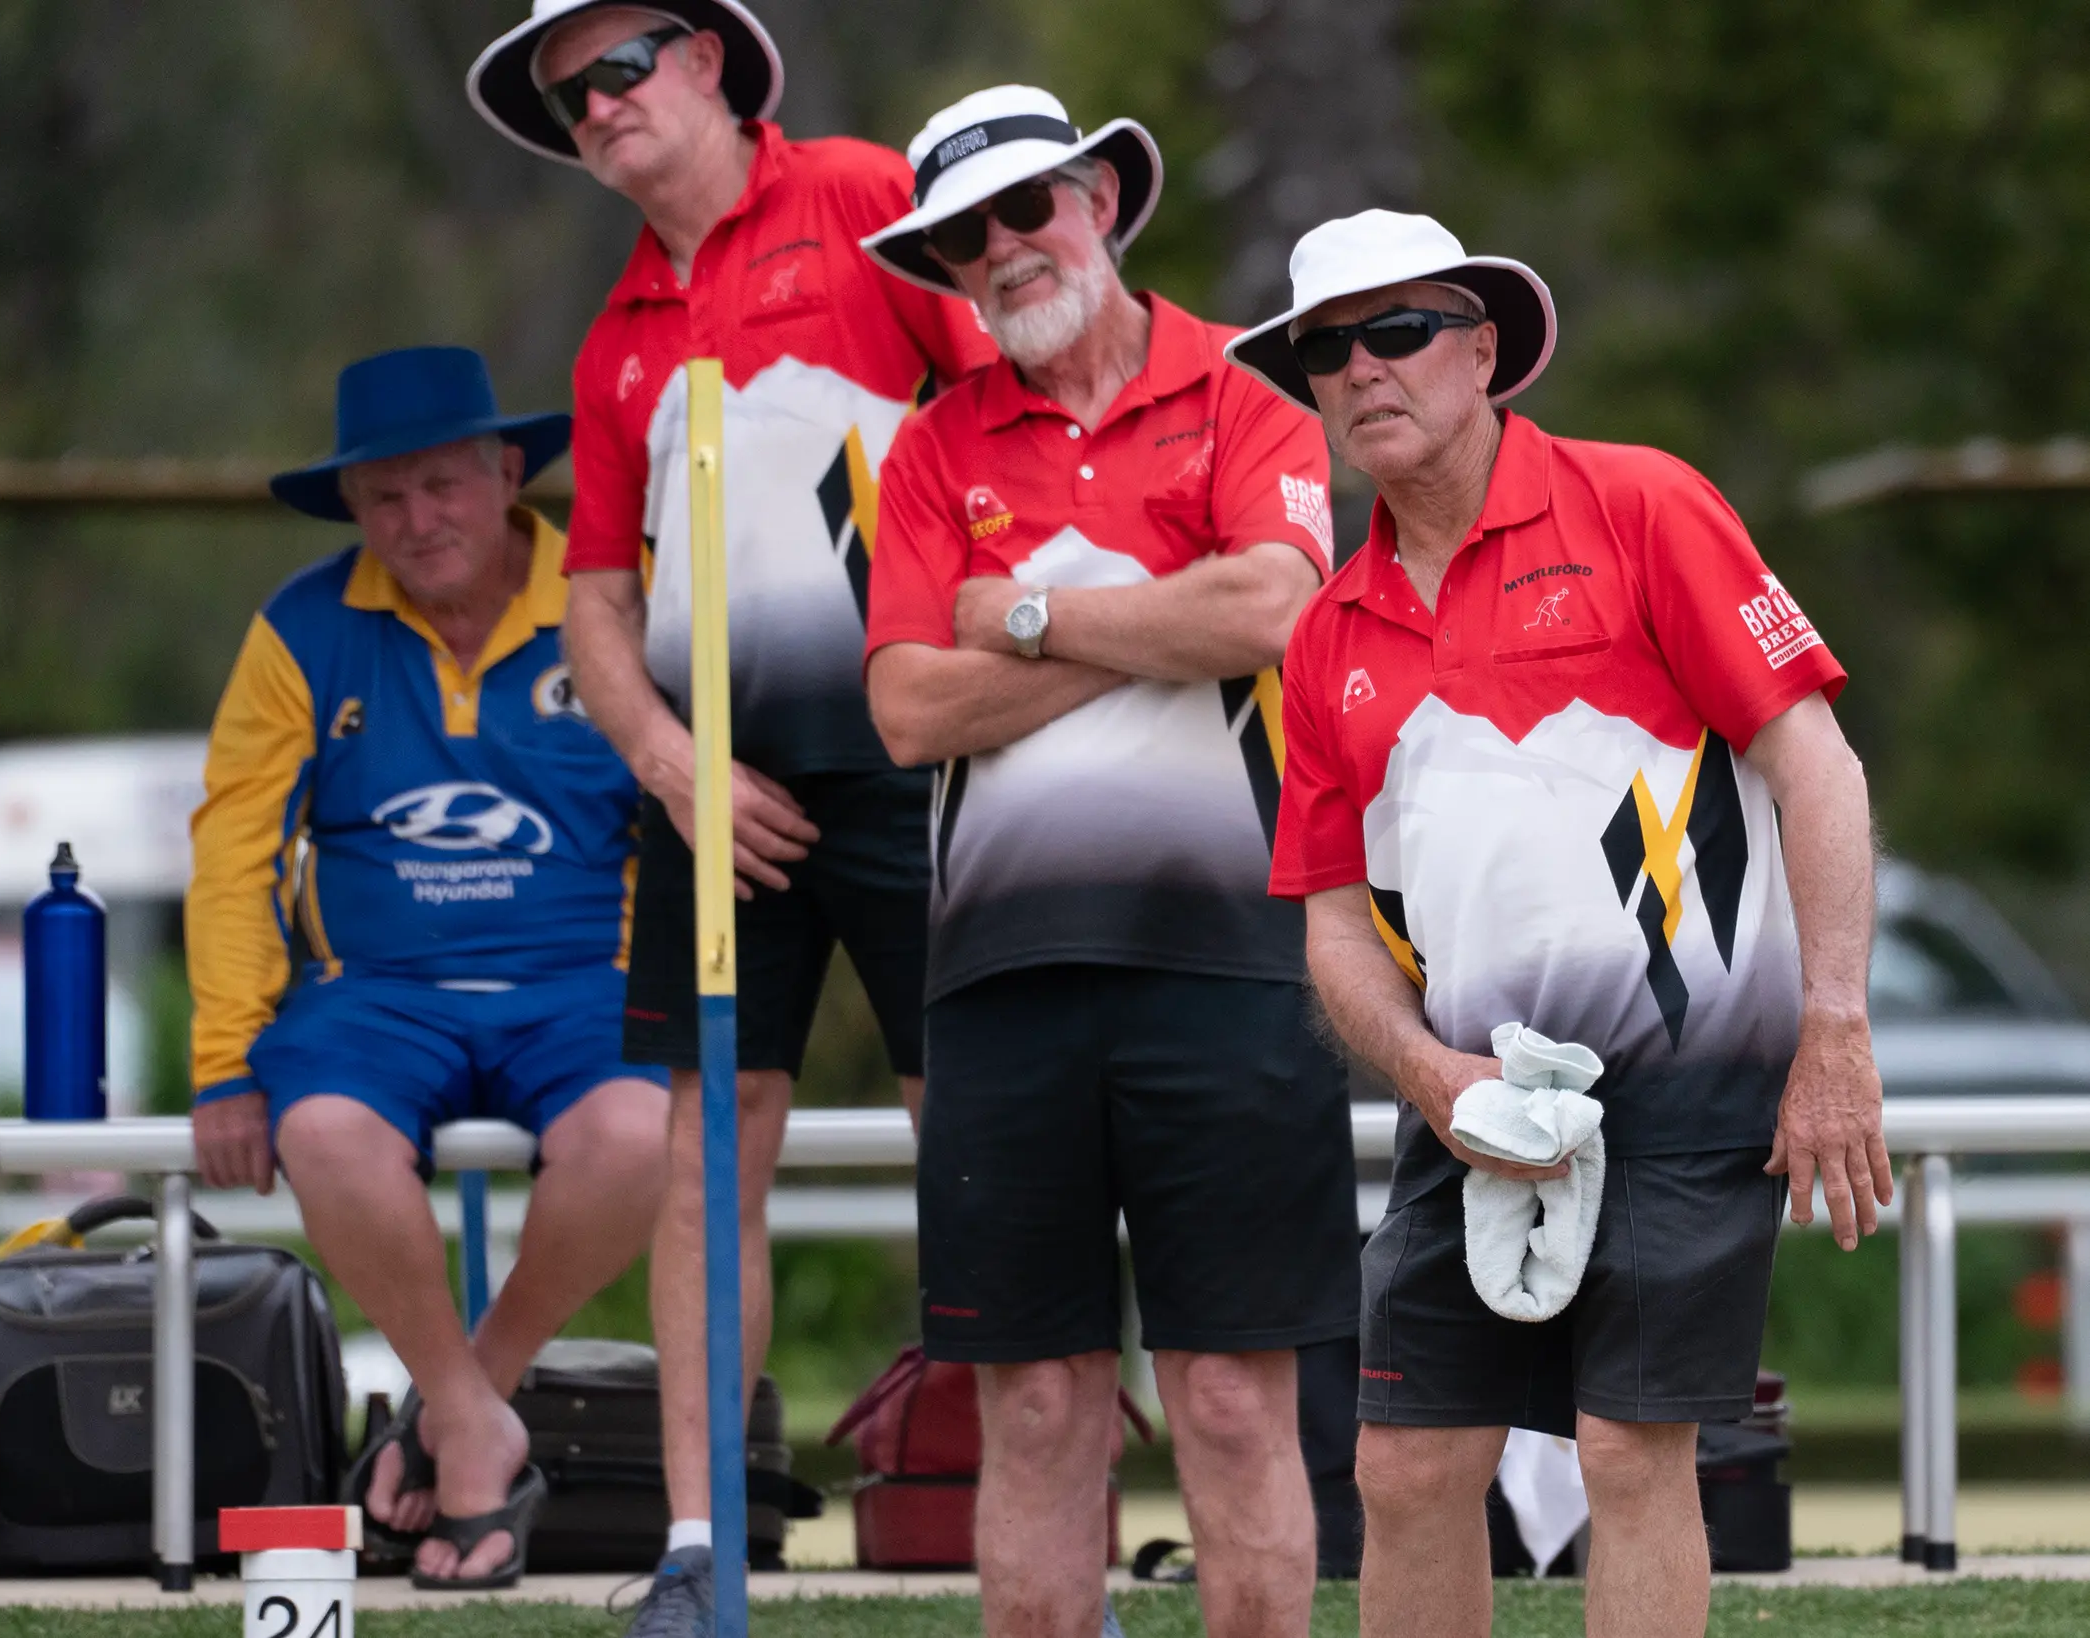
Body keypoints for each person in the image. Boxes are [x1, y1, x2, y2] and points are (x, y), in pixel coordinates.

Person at [1225, 210, 1891, 1638]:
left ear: (1481, 349)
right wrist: (1424, 1074)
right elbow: (1332, 921)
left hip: (1690, 1069)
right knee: (1403, 1465)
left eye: (1395, 330)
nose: (1360, 369)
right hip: (1463, 1096)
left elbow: (1814, 763)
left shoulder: (1642, 504)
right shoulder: (1326, 628)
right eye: (1325, 349)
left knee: (1624, 1455)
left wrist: (1834, 1022)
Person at [466, 3, 992, 1624]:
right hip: (719, 794)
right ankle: (700, 1545)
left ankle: (1042, 1534)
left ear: (706, 60)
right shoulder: (617, 325)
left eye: (616, 67)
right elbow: (597, 599)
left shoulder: (862, 195)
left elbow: (1011, 425)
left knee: (978, 1132)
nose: (595, 109)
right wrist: (664, 754)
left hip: (924, 751)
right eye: (565, 99)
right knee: (712, 1150)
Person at [861, 87, 1363, 1638]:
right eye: (965, 236)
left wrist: (1023, 610)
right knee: (1035, 1407)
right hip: (1000, 986)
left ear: (1099, 200)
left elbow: (1274, 611)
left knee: (1226, 1399)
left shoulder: (1245, 395)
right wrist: (1162, 609)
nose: (1003, 251)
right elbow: (902, 710)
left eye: (1028, 210)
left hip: (1233, 964)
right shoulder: (934, 447)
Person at [187, 346, 670, 1591]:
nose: (418, 520)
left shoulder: (622, 600)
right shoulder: (299, 628)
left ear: (507, 473)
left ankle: (466, 1404)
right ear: (352, 504)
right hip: (372, 1000)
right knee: (330, 1135)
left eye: (445, 487)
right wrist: (223, 1062)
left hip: (581, 985)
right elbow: (235, 850)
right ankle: (470, 1428)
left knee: (642, 1137)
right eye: (387, 496)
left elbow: (693, 807)